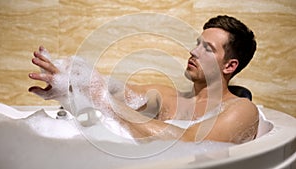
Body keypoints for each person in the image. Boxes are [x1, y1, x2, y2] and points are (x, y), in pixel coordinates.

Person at [29, 15, 259, 144]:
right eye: (197, 43)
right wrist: (71, 85)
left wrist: (106, 102)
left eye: (207, 49)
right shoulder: (167, 96)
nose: (193, 51)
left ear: (230, 66)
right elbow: (116, 92)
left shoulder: (241, 109)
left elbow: (189, 142)